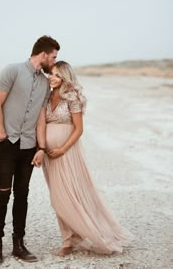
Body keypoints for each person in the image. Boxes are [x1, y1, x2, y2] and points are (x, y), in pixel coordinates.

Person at [36, 61, 133, 257]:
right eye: (51, 74)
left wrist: (62, 148)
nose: (52, 78)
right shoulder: (45, 97)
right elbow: (41, 124)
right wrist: (42, 148)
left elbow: (79, 129)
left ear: (65, 76)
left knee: (70, 195)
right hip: (49, 156)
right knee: (58, 197)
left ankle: (84, 236)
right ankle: (69, 240)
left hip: (68, 153)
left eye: (57, 74)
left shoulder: (72, 97)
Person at [0, 35, 60, 265]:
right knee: (3, 193)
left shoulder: (44, 83)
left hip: (28, 147)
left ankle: (18, 244)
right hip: (7, 144)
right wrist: (1, 135)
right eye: (54, 56)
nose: (55, 61)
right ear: (44, 54)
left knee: (22, 195)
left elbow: (40, 117)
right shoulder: (12, 70)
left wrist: (41, 147)